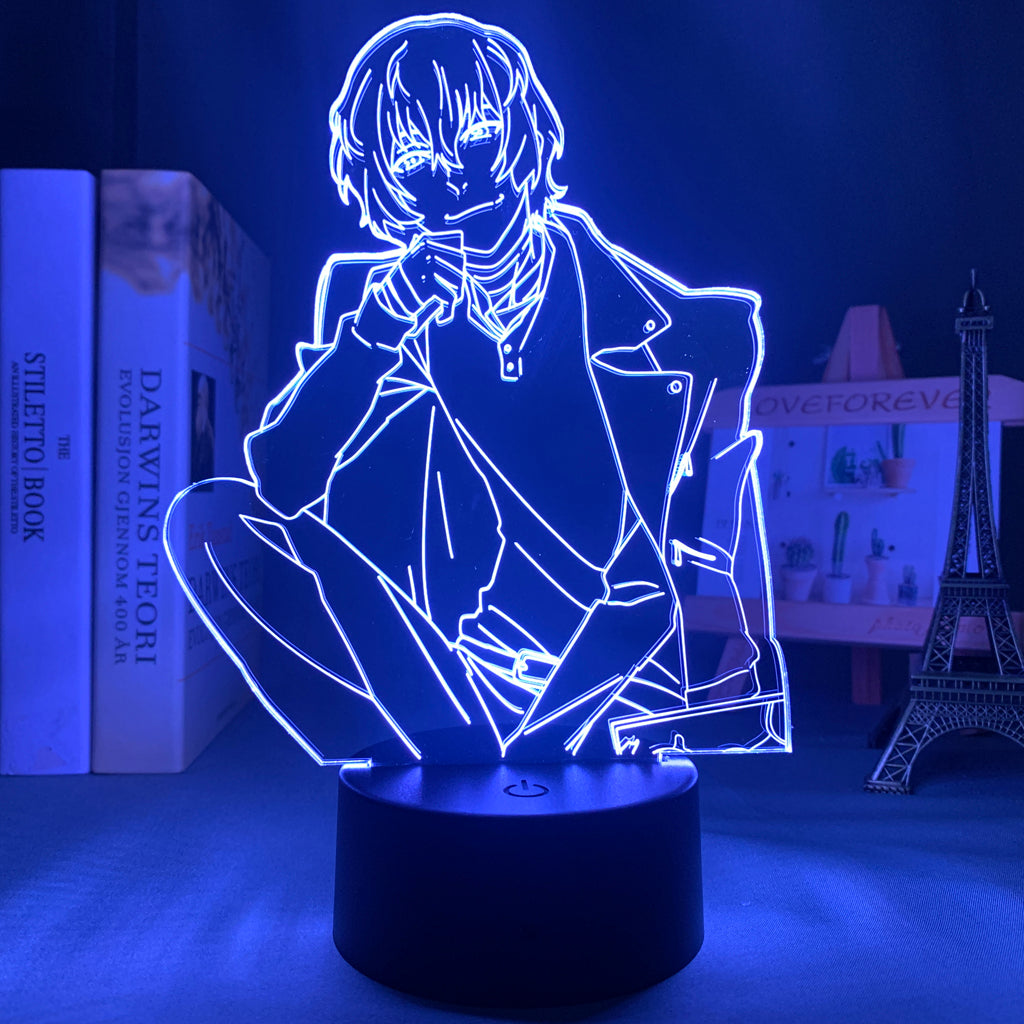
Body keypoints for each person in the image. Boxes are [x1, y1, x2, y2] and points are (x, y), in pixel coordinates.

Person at [175, 13, 788, 763]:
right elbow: (283, 487)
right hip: (433, 661)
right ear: (383, 182)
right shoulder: (372, 306)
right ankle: (452, 739)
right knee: (216, 516)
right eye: (416, 162)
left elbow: (700, 551)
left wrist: (708, 675)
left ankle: (505, 747)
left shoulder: (689, 334)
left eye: (478, 138)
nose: (459, 180)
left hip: (606, 663)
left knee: (634, 615)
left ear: (526, 134)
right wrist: (374, 336)